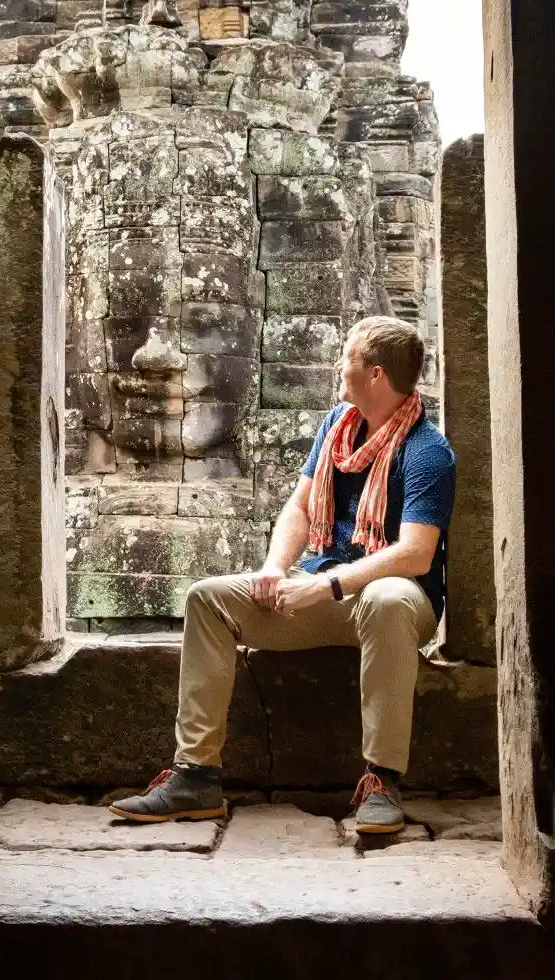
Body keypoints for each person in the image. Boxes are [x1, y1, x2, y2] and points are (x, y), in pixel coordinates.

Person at [110, 316, 455, 834]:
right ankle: (196, 777)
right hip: (323, 588)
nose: (340, 365)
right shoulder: (338, 425)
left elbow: (415, 554)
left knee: (384, 597)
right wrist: (275, 570)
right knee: (209, 598)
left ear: (377, 374)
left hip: (393, 605)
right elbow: (298, 506)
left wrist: (328, 585)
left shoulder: (427, 450)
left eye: (349, 357)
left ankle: (382, 781)